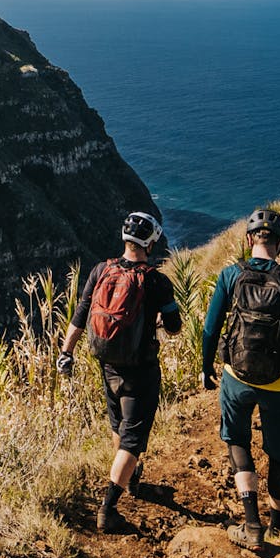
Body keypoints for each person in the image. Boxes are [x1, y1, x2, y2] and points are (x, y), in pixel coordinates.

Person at [57, 210, 181, 534]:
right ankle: (108, 509)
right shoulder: (155, 280)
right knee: (133, 438)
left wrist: (66, 352)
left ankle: (132, 480)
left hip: (107, 366)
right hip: (140, 370)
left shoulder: (101, 270)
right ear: (150, 243)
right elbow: (175, 326)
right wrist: (156, 320)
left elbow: (81, 314)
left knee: (119, 425)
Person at [201, 207, 280, 553]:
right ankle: (278, 525)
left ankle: (251, 525)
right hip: (279, 383)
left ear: (250, 239)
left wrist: (206, 367)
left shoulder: (229, 276)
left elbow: (210, 329)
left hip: (236, 378)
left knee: (237, 441)